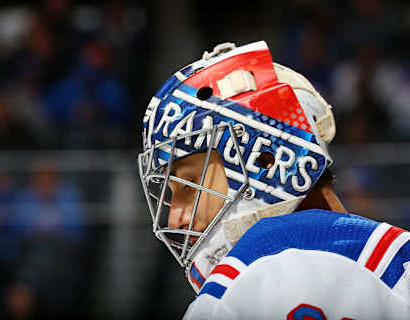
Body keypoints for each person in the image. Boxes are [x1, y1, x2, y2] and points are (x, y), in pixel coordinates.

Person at [137, 41, 410, 319]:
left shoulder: (248, 280)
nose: (175, 221)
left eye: (188, 185)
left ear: (267, 161)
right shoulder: (400, 266)